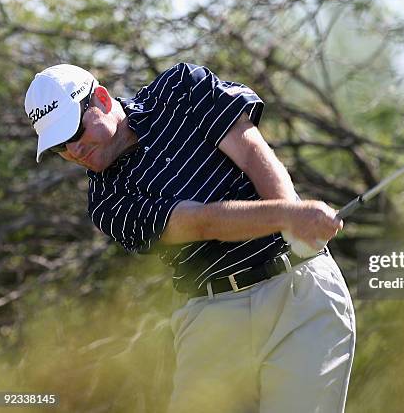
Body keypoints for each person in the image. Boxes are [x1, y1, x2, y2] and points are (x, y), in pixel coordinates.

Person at [24, 63, 356, 412]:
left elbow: (249, 150)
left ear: (102, 100)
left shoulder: (180, 88)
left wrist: (293, 219)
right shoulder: (107, 203)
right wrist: (290, 216)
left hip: (300, 292)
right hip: (213, 317)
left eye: (76, 132)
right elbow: (199, 223)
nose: (74, 151)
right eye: (60, 146)